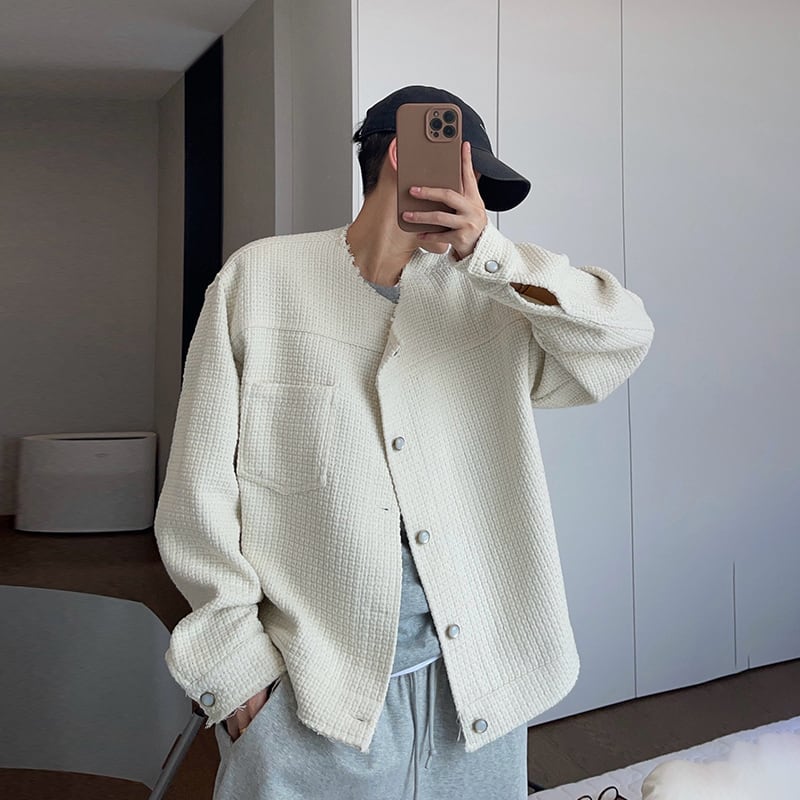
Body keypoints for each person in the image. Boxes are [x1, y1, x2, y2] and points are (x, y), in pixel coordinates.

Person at [153, 84, 655, 799]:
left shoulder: (493, 296)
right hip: (311, 694)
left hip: (479, 689)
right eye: (471, 177)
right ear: (402, 158)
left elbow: (624, 338)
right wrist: (234, 669)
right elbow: (198, 492)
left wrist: (491, 254)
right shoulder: (261, 281)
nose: (477, 200)